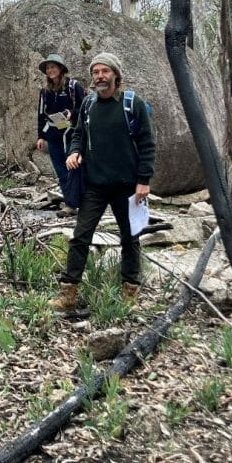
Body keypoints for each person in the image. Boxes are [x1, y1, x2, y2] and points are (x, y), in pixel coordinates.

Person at [51, 52, 155, 313]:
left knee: (130, 239)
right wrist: (75, 151)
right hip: (95, 186)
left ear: (115, 75)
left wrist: (144, 181)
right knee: (80, 237)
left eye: (105, 71)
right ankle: (68, 295)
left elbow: (147, 144)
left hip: (127, 186)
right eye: (95, 72)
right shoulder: (88, 105)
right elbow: (78, 134)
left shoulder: (132, 104)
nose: (99, 76)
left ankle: (130, 292)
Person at [35, 53, 85, 209]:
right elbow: (41, 114)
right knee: (60, 170)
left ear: (61, 68)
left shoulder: (73, 86)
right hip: (53, 136)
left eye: (53, 67)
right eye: (48, 68)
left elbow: (84, 108)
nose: (50, 70)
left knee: (74, 168)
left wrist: (72, 113)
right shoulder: (45, 92)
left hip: (72, 134)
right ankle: (70, 204)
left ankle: (80, 202)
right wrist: (41, 137)